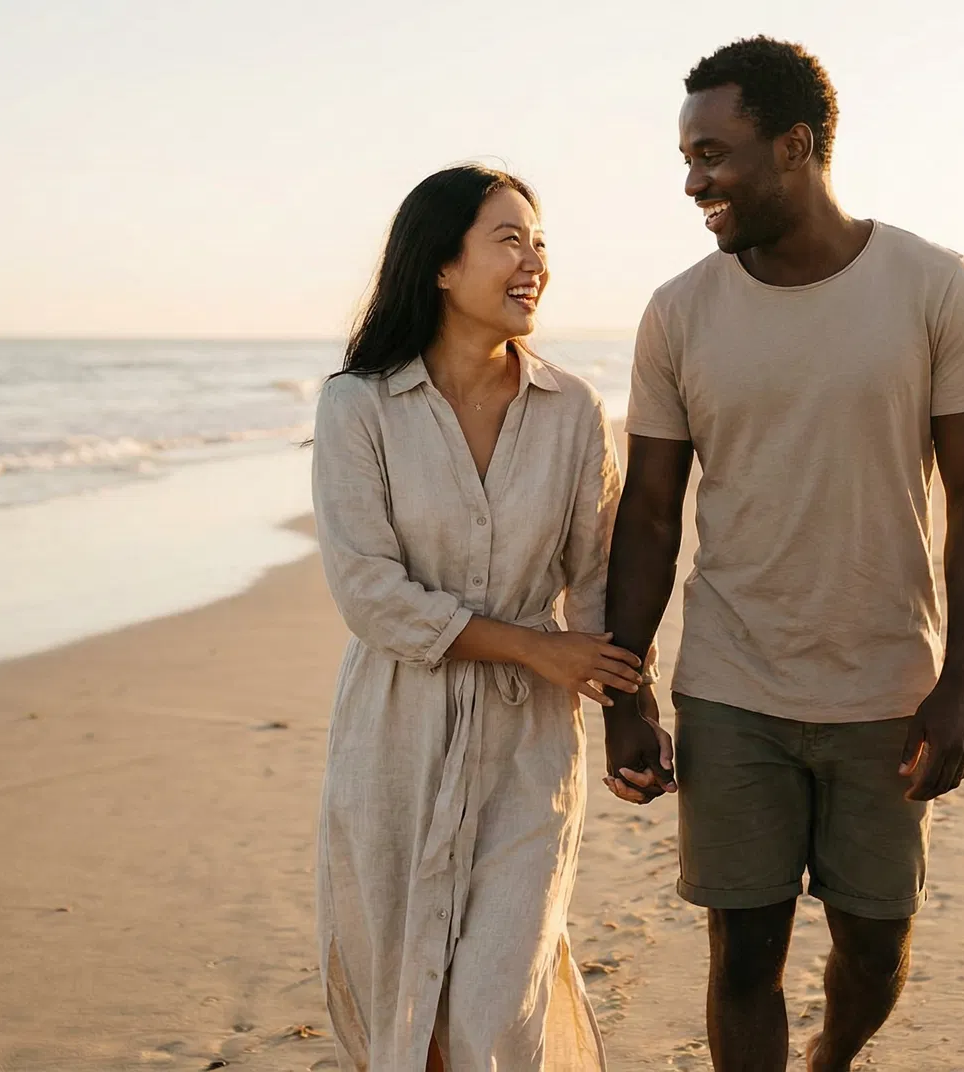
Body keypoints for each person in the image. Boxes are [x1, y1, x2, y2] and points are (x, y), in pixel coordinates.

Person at [599, 38, 964, 1071]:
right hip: (733, 683)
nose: (693, 183)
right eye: (687, 158)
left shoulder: (932, 285)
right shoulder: (679, 311)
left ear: (795, 146)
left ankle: (829, 1059)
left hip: (887, 688)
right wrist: (626, 692)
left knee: (874, 943)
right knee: (743, 950)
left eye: (713, 155)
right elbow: (650, 513)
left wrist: (960, 683)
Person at [311, 163, 659, 1071]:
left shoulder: (574, 410)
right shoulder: (359, 406)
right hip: (395, 736)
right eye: (509, 240)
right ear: (439, 264)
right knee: (407, 1010)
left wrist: (629, 711)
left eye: (540, 244)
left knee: (496, 1010)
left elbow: (596, 582)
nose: (534, 262)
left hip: (530, 749)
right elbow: (368, 592)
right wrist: (536, 650)